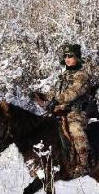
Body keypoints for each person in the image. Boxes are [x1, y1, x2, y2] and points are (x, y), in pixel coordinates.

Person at [35, 43, 95, 175]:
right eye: (65, 56)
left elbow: (73, 92)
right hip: (59, 112)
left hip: (76, 113)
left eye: (70, 56)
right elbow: (54, 93)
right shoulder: (63, 76)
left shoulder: (82, 75)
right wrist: (41, 96)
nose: (67, 58)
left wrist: (58, 99)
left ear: (77, 58)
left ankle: (84, 162)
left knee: (74, 129)